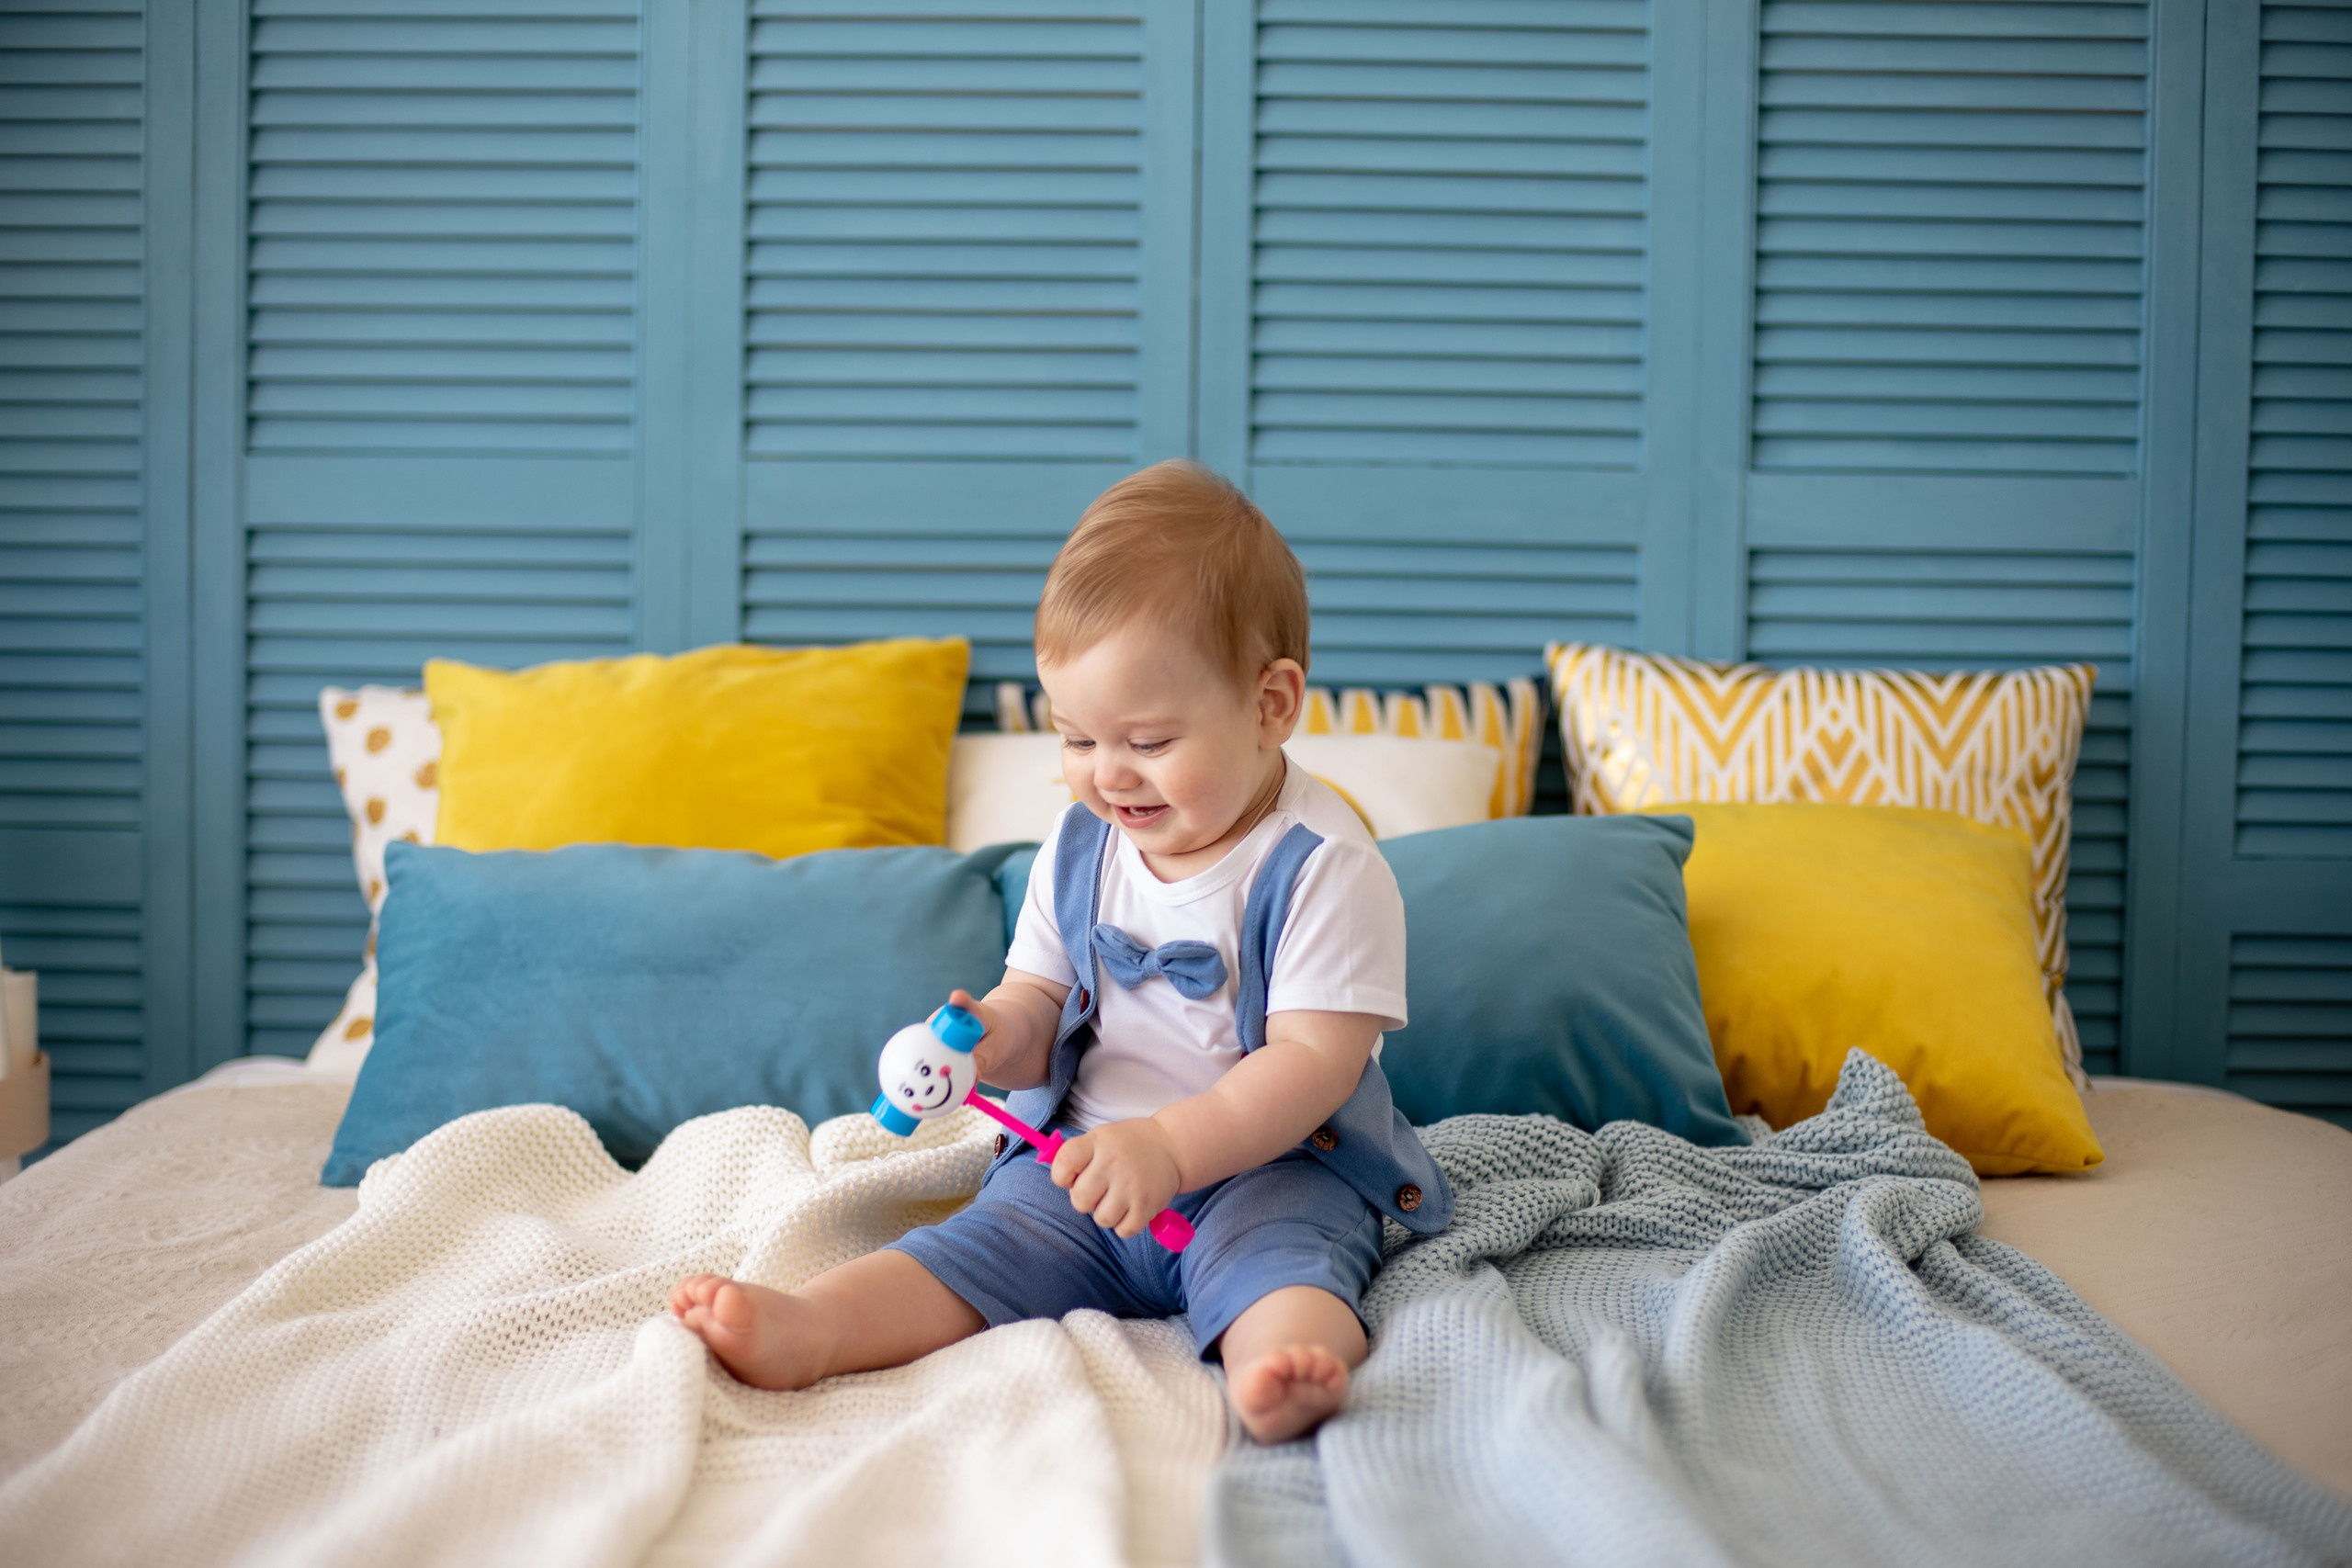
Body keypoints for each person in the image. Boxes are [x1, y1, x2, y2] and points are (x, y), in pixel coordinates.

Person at [671, 460, 1451, 1442]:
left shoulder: (1323, 867)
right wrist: (988, 1040)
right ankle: (816, 1328)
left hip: (1269, 1167)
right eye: (1076, 738)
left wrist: (1169, 1150)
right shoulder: (1080, 846)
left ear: (1271, 704)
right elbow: (1036, 994)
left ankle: (1285, 1366)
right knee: (974, 1249)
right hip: (1079, 1163)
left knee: (1285, 1262)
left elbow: (1312, 1065)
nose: (1108, 774)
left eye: (1150, 741)